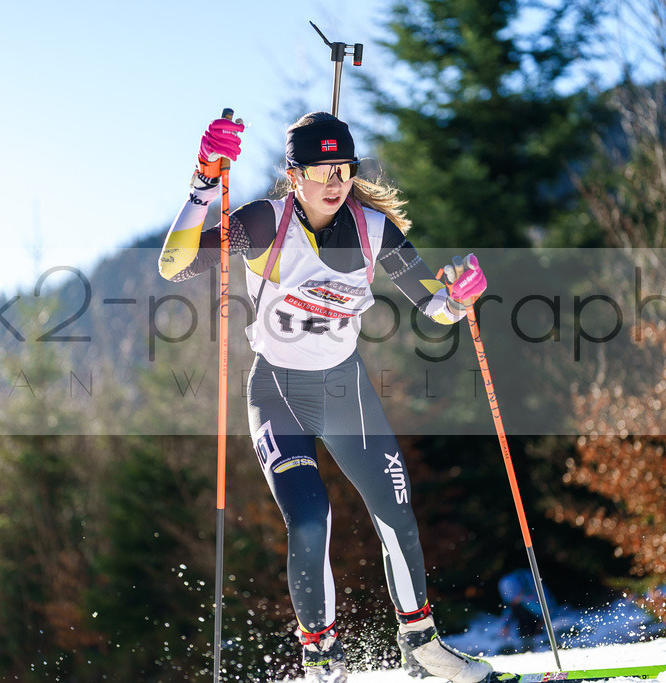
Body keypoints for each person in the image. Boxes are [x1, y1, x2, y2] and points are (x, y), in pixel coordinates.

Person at [158, 112, 503, 683]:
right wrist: (202, 183)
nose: (334, 181)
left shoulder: (373, 228)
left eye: (342, 168)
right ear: (294, 175)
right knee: (311, 519)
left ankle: (421, 646)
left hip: (346, 391)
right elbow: (175, 265)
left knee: (397, 512)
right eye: (320, 170)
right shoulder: (265, 223)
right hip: (279, 394)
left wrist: (459, 295)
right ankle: (321, 660)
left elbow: (434, 306)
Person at [497, 569, 555, 650]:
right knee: (518, 609)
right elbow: (509, 608)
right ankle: (526, 643)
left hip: (541, 614)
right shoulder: (511, 592)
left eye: (515, 598)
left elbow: (548, 607)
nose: (514, 601)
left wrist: (543, 620)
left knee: (523, 610)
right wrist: (505, 625)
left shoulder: (534, 588)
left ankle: (536, 643)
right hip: (528, 611)